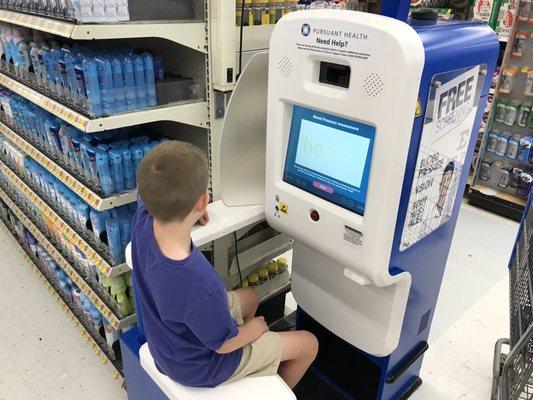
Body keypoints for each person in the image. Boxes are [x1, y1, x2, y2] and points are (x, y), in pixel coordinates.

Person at [131, 141, 318, 389]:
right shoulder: (199, 282)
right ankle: (267, 391)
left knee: (250, 296)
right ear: (203, 200)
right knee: (307, 344)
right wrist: (254, 329)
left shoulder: (143, 218)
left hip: (167, 345)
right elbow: (222, 346)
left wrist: (193, 214)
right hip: (200, 367)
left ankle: (255, 362)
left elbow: (153, 196)